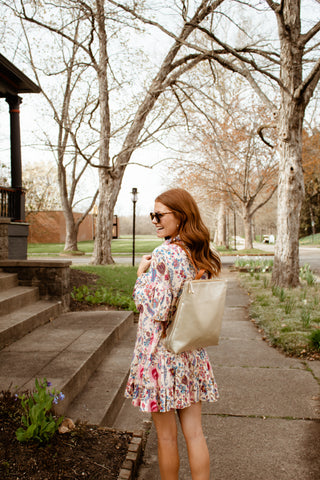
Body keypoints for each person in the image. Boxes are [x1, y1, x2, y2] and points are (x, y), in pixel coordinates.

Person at [125, 188, 221, 480]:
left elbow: (158, 308)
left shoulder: (165, 254)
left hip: (161, 357)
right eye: (152, 215)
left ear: (180, 216)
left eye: (160, 214)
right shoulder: (199, 252)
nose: (154, 220)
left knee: (166, 438)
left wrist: (141, 276)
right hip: (190, 352)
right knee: (195, 434)